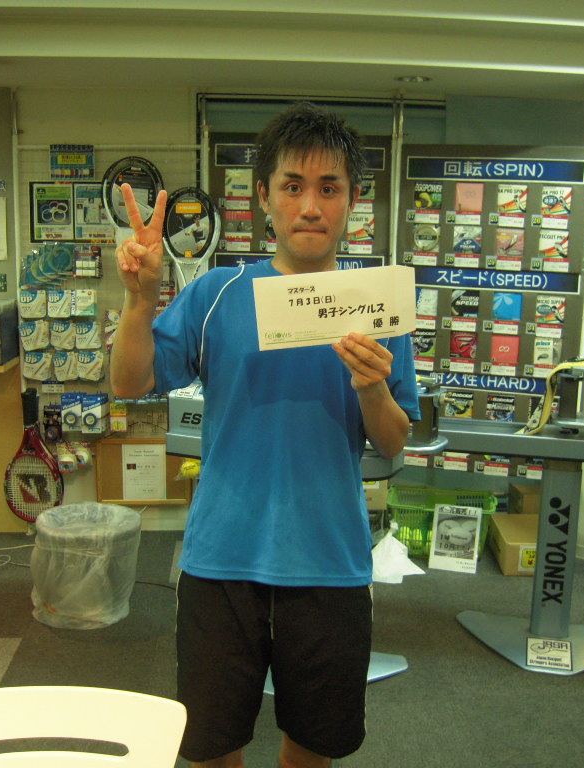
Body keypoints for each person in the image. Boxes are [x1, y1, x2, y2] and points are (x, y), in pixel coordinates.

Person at [111, 102, 420, 768]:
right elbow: (130, 383)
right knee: (211, 747)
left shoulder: (376, 307)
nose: (310, 206)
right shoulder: (217, 294)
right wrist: (139, 301)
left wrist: (370, 387)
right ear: (263, 197)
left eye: (329, 188)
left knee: (312, 748)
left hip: (330, 562)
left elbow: (394, 441)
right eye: (293, 186)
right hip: (222, 559)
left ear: (352, 201)